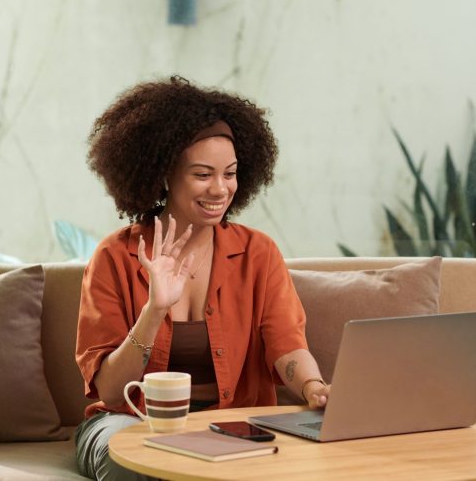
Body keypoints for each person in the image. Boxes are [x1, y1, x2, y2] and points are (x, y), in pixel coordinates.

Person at [74, 76, 331, 480]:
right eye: (202, 174)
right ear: (163, 175)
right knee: (134, 458)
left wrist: (314, 386)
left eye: (229, 174)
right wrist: (155, 309)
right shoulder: (114, 257)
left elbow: (286, 345)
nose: (220, 189)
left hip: (230, 422)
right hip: (132, 421)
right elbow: (110, 392)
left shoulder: (257, 252)